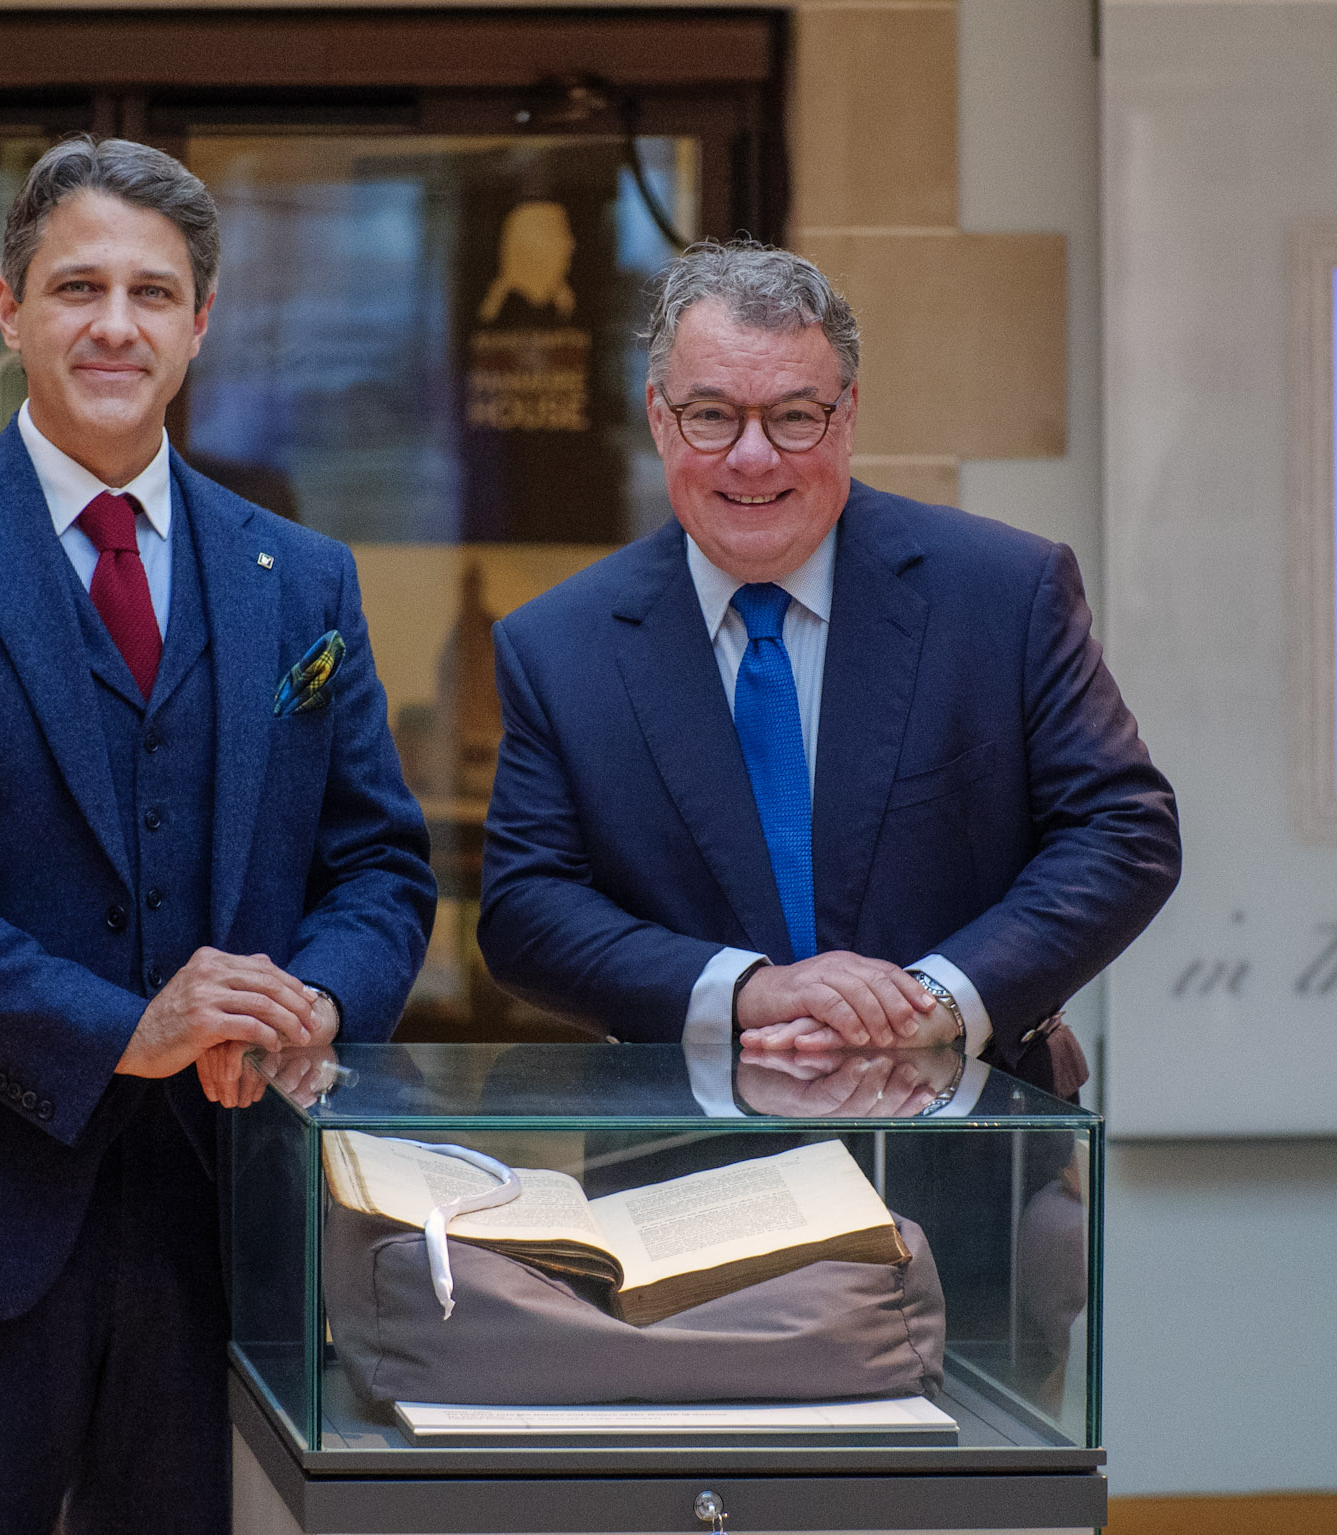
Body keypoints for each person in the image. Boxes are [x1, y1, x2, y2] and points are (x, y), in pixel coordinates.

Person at [0, 137, 434, 1534]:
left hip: (224, 1211)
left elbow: (377, 863)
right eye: (78, 287)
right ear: (9, 309)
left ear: (201, 322)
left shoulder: (302, 574)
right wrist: (122, 1029)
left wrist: (314, 999)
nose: (115, 324)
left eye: (152, 291)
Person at [477, 240, 1178, 1096]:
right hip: (683, 1148)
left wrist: (940, 1001)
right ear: (658, 418)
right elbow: (526, 909)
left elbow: (1122, 830)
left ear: (846, 416)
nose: (753, 456)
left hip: (975, 1132)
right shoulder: (558, 647)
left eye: (794, 416)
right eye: (711, 415)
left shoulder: (1004, 592)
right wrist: (748, 991)